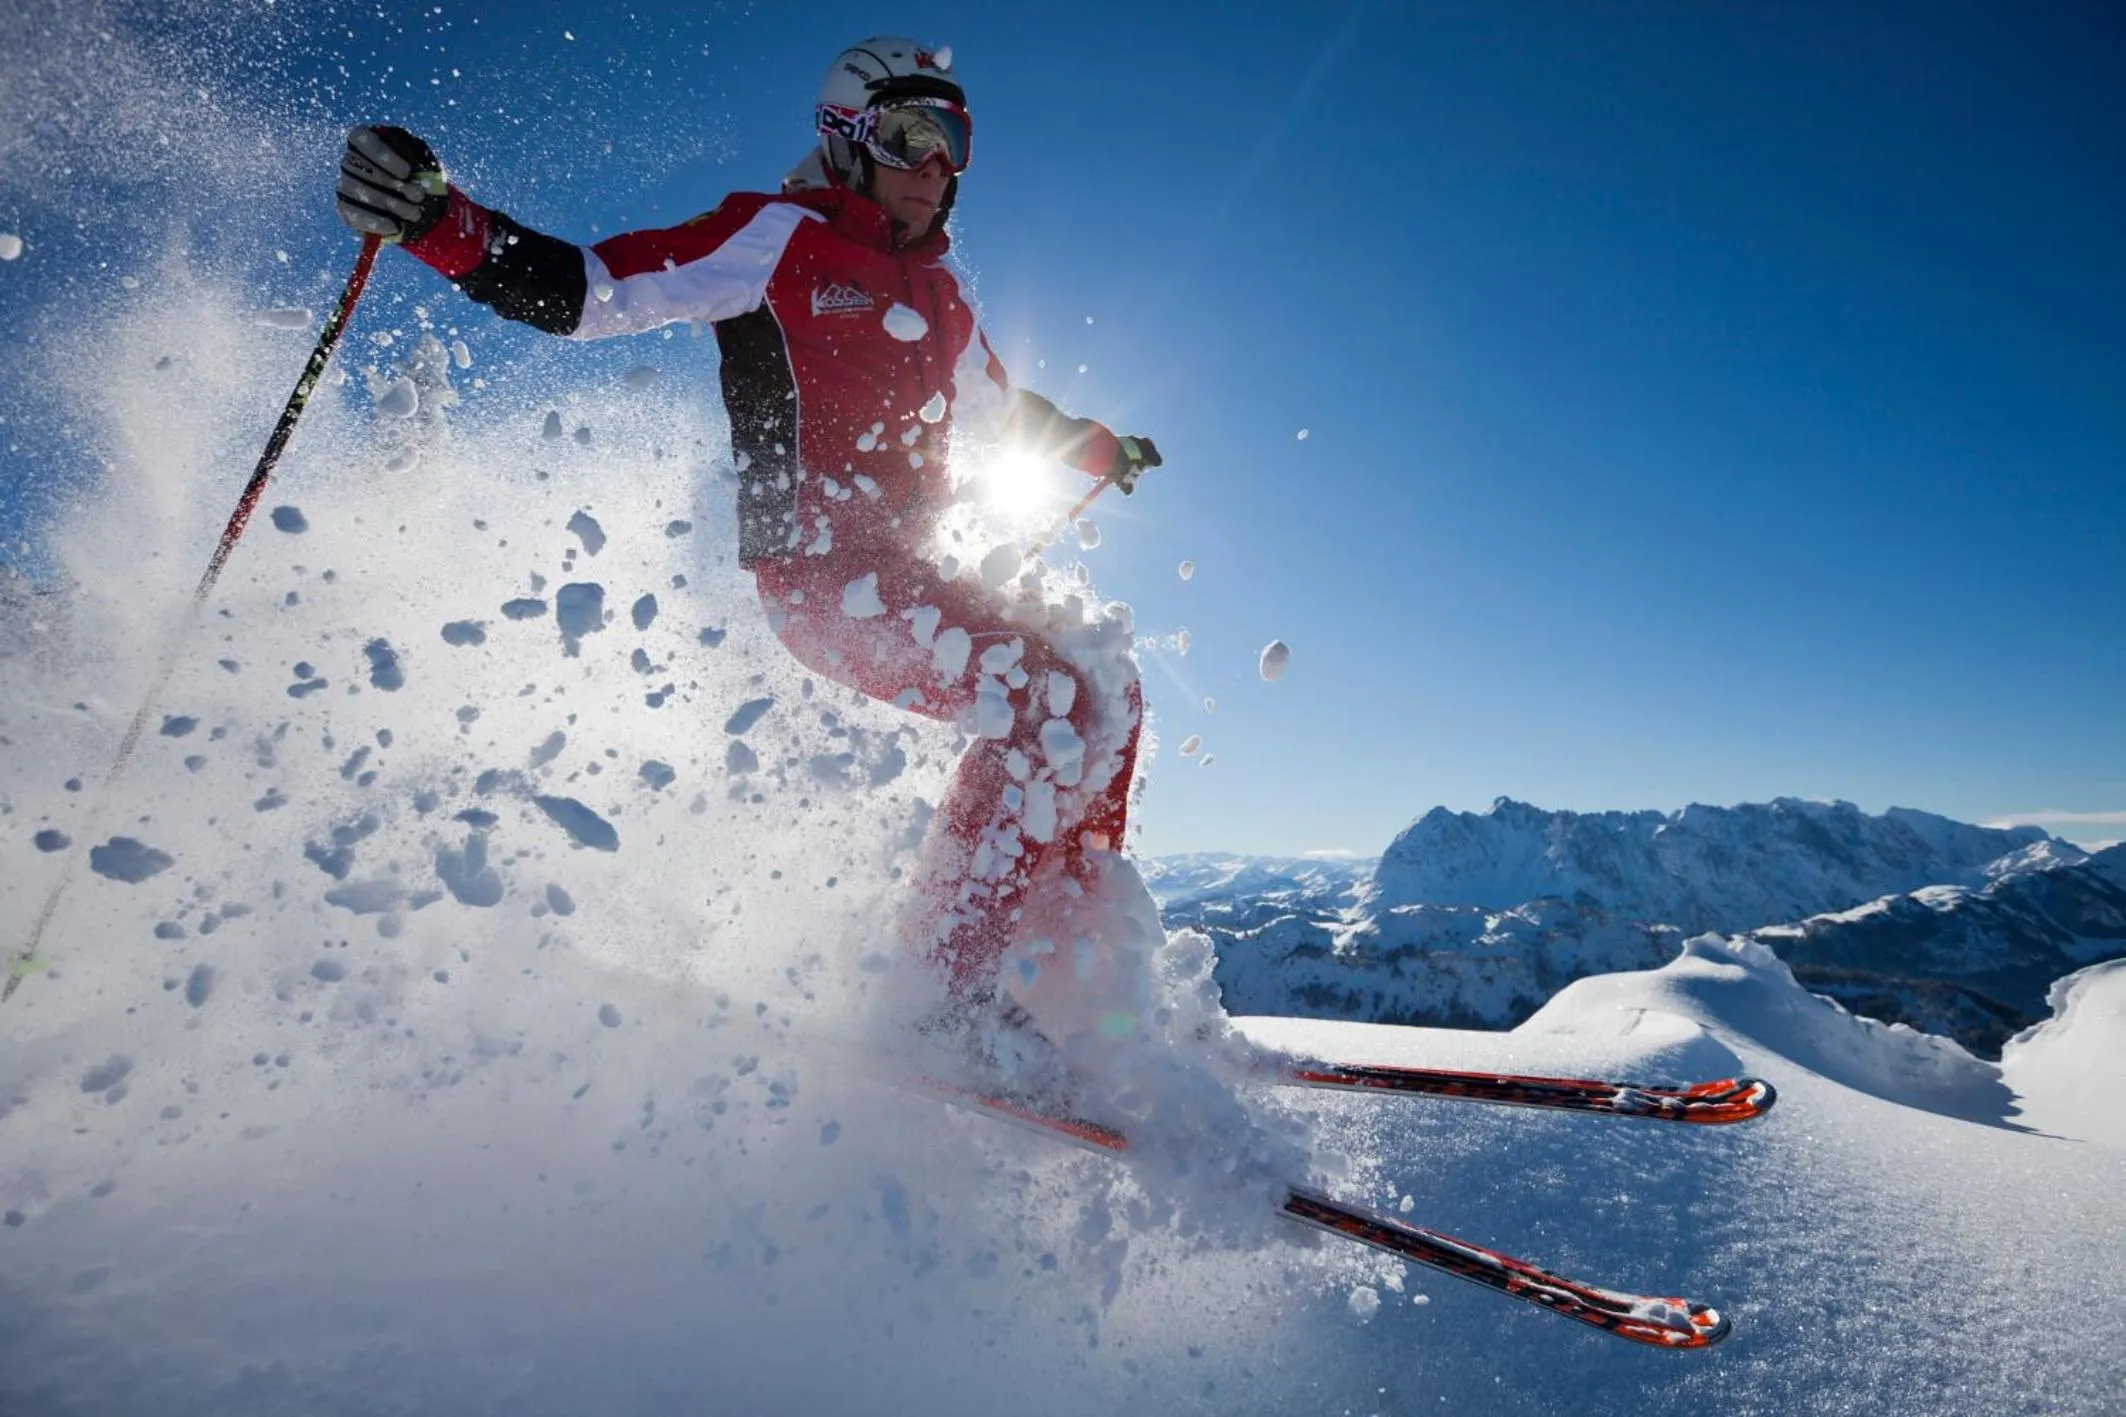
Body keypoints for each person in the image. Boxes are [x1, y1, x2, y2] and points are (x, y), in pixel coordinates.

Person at [335, 37, 1162, 1027]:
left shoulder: (941, 292)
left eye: (954, 142)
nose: (935, 167)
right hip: (817, 576)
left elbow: (1001, 411)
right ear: (848, 137)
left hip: (911, 571)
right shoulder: (773, 238)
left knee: (1104, 687)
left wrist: (1101, 449)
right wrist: (435, 219)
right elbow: (590, 289)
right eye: (911, 136)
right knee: (1040, 703)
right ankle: (940, 1006)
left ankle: (1072, 973)